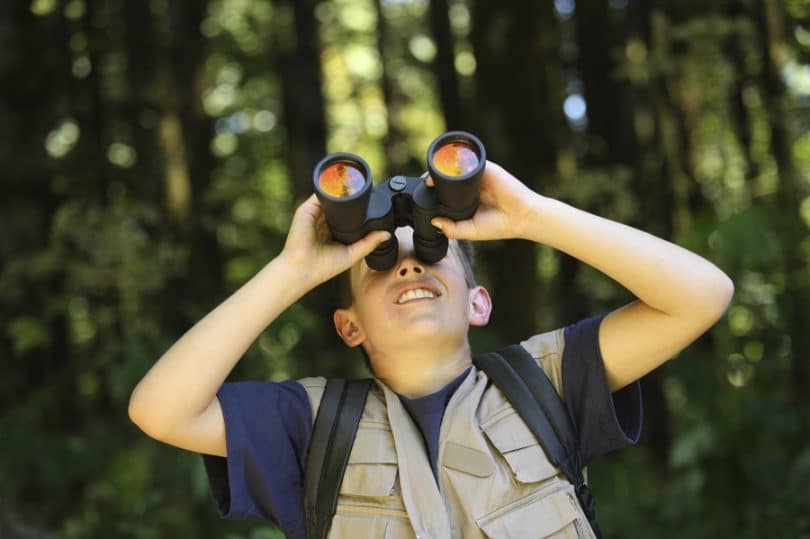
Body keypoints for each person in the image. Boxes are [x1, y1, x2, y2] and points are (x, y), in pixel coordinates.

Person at [128, 160, 734, 538]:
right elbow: (161, 409)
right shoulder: (312, 429)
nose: (410, 263)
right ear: (348, 327)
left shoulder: (545, 382)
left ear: (479, 303)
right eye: (379, 261)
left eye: (435, 253)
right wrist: (293, 271)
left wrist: (533, 216)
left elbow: (702, 296)